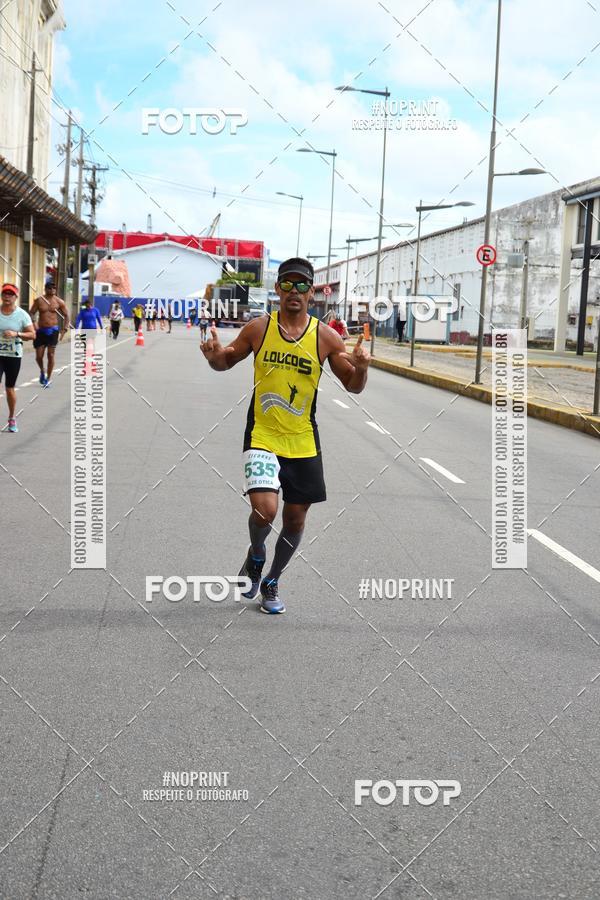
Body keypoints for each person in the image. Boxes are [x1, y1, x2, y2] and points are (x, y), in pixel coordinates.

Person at [200, 257, 370, 614]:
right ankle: (257, 553)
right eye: (287, 284)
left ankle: (273, 580)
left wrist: (363, 368)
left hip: (303, 439)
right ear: (277, 289)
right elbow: (226, 360)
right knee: (265, 511)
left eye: (302, 285)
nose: (294, 291)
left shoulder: (325, 337)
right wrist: (214, 355)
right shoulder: (259, 329)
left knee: (295, 518)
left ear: (313, 292)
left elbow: (353, 386)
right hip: (262, 433)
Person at [0, 283, 35, 432]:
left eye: (10, 294)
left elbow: (32, 335)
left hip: (13, 355)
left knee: (9, 388)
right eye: (5, 294)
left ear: (16, 297)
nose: (7, 296)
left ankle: (12, 417)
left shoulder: (22, 315)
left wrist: (17, 334)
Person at [29, 281, 70, 387]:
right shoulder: (39, 300)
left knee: (51, 355)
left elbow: (66, 315)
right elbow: (32, 312)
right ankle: (42, 370)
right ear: (45, 289)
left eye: (54, 288)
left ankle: (48, 378)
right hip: (40, 330)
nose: (52, 290)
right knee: (38, 356)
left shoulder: (59, 302)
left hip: (53, 331)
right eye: (50, 288)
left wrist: (65, 328)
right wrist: (34, 324)